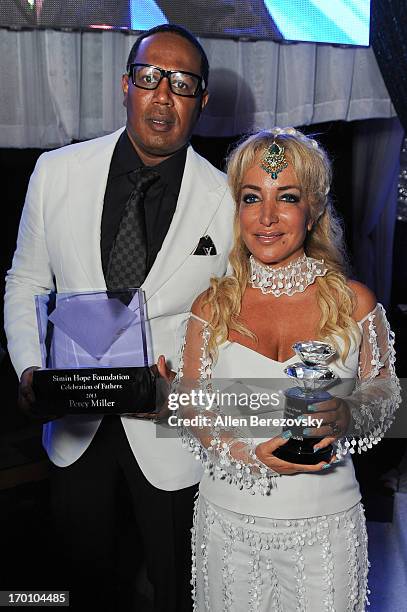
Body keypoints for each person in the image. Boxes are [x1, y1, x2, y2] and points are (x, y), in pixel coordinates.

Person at [4, 24, 234, 611]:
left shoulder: (230, 200)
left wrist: (188, 392)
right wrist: (30, 370)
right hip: (74, 422)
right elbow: (26, 280)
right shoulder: (56, 172)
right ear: (126, 86)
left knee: (176, 585)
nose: (164, 95)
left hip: (171, 433)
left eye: (182, 84)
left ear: (201, 100)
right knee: (79, 585)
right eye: (150, 78)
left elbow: (237, 324)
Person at [164, 127, 400, 611]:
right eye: (252, 197)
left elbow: (386, 398)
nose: (267, 217)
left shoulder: (354, 303)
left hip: (326, 527)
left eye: (286, 197)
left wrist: (346, 414)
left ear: (312, 209)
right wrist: (253, 457)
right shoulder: (211, 308)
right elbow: (194, 413)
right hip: (228, 524)